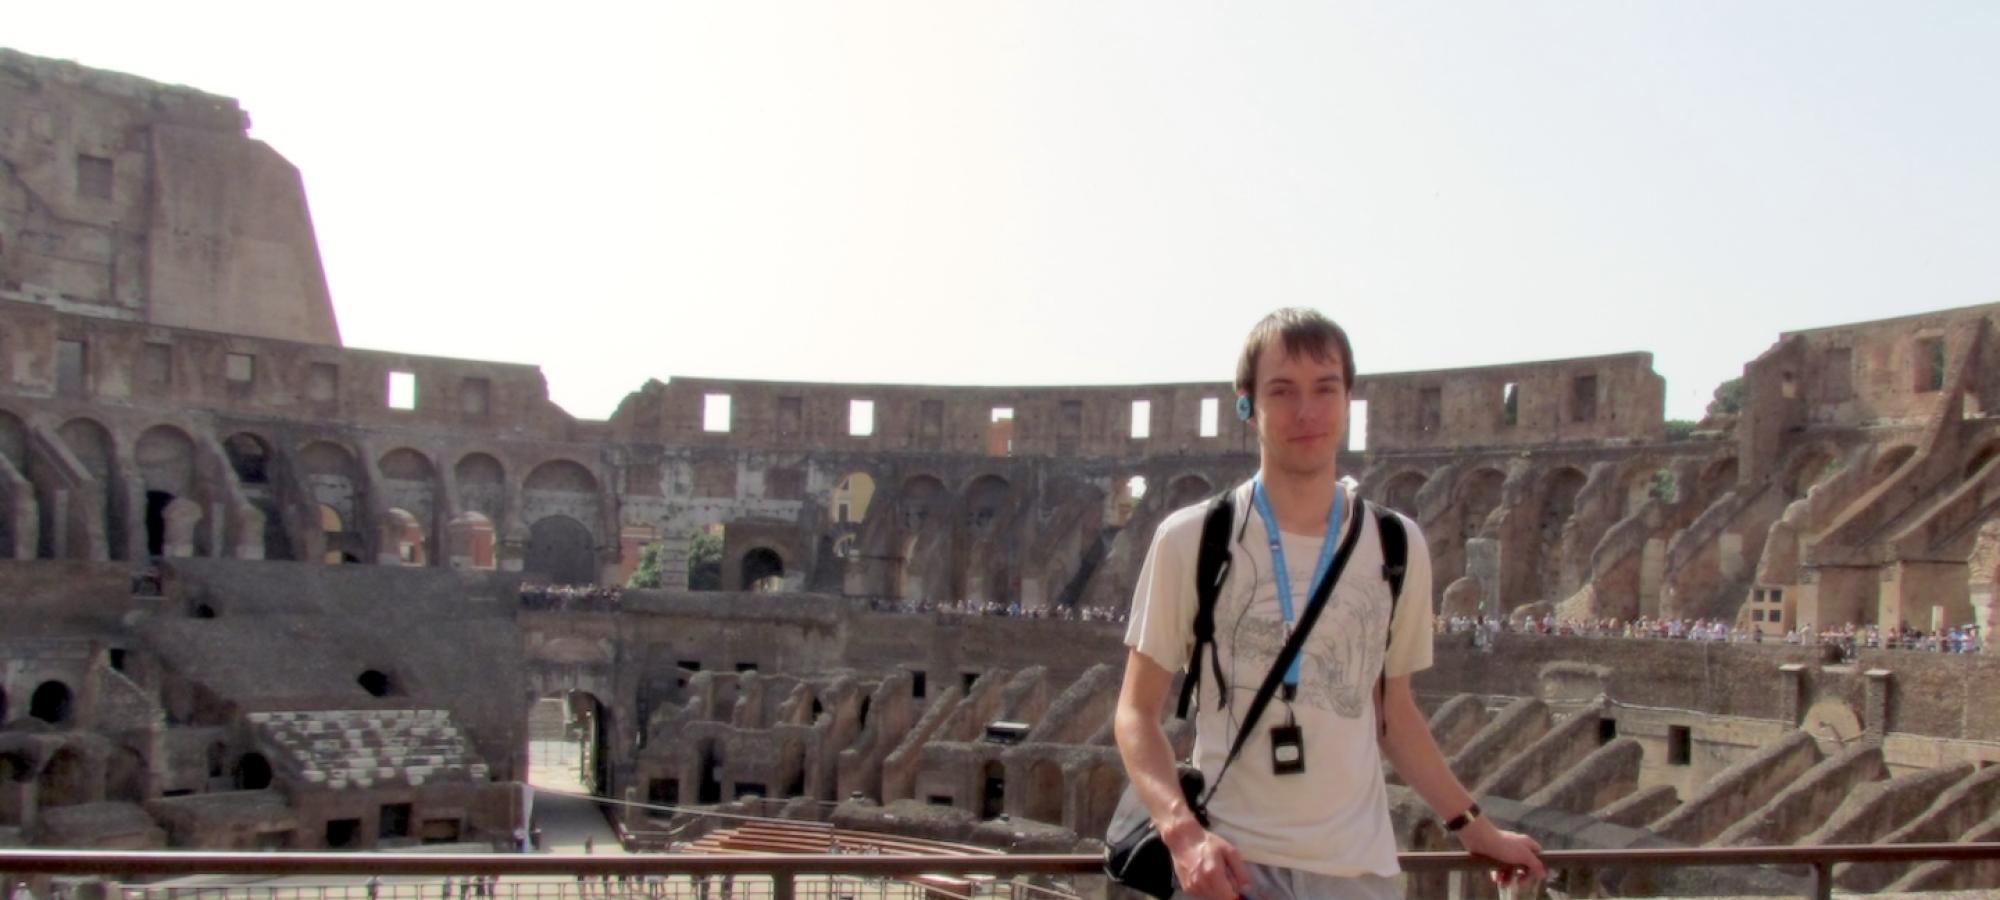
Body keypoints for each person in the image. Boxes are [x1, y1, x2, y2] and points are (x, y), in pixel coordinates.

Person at [1113, 309, 1546, 900]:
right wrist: (1182, 835)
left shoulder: (1397, 546)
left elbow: (1395, 718)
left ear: (1349, 400)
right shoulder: (1192, 539)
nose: (1306, 412)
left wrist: (1476, 828)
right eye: (1282, 390)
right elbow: (1135, 712)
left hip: (1359, 873)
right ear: (1247, 403)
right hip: (1232, 866)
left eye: (1325, 388)